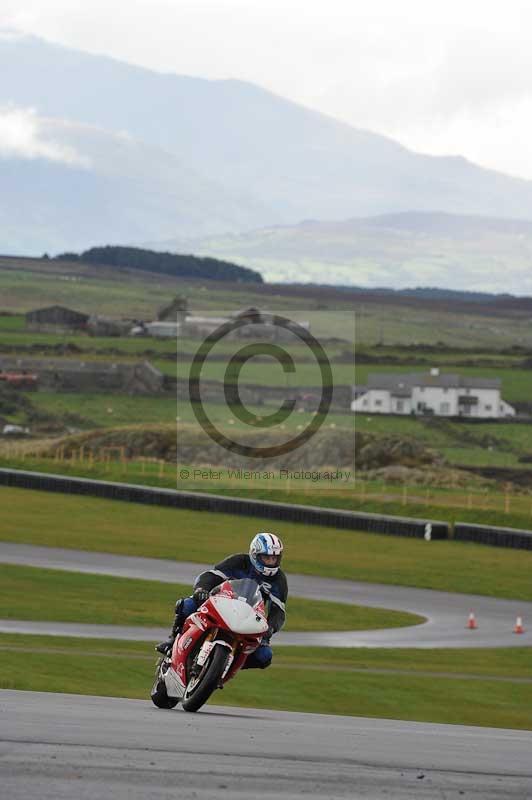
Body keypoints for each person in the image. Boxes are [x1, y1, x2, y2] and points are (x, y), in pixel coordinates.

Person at [156, 532, 287, 669]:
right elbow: (210, 576)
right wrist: (201, 590)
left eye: (274, 558)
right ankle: (172, 640)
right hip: (222, 604)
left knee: (264, 655)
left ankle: (225, 667)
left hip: (249, 618)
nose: (271, 562)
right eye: (267, 557)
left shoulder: (279, 580)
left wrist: (270, 627)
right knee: (187, 605)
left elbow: (279, 611)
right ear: (255, 554)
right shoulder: (239, 562)